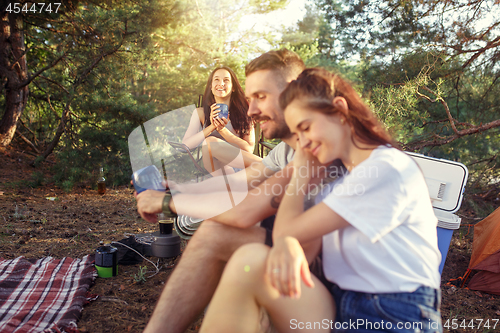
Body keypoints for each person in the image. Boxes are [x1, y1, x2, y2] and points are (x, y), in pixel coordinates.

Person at [199, 68, 443, 333]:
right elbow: (297, 238)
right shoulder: (337, 174)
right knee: (250, 261)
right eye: (297, 134)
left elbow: (287, 230)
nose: (303, 143)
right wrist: (289, 241)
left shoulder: (385, 169)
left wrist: (301, 174)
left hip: (394, 314)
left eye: (305, 128)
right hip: (344, 303)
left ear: (339, 110)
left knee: (253, 258)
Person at [136, 49, 310, 333]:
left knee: (238, 244)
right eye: (250, 98)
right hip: (295, 247)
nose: (252, 110)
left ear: (291, 92)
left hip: (335, 283)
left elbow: (246, 209)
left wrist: (169, 201)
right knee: (215, 233)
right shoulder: (286, 151)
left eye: (261, 97)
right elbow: (239, 182)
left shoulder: (315, 147)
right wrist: (181, 188)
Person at [182, 66, 260, 175]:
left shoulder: (245, 112)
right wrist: (212, 127)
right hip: (213, 167)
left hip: (238, 167)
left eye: (226, 80)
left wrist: (223, 130)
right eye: (217, 79)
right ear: (211, 86)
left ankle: (232, 186)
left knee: (211, 145)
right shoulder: (200, 113)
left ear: (233, 87)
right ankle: (269, 166)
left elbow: (249, 150)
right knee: (208, 143)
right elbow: (186, 145)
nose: (221, 83)